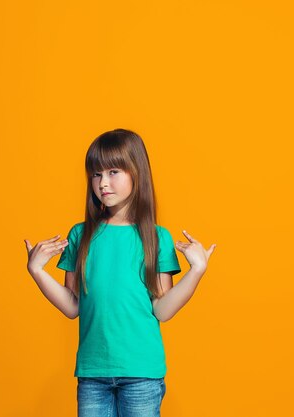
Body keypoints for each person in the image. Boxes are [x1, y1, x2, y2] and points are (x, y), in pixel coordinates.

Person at [24, 128, 216, 417]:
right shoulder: (81, 235)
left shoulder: (157, 238)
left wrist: (197, 271)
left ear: (136, 173)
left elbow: (162, 310)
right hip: (92, 372)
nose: (103, 183)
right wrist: (37, 271)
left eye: (114, 171)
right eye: (96, 174)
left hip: (141, 373)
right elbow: (73, 306)